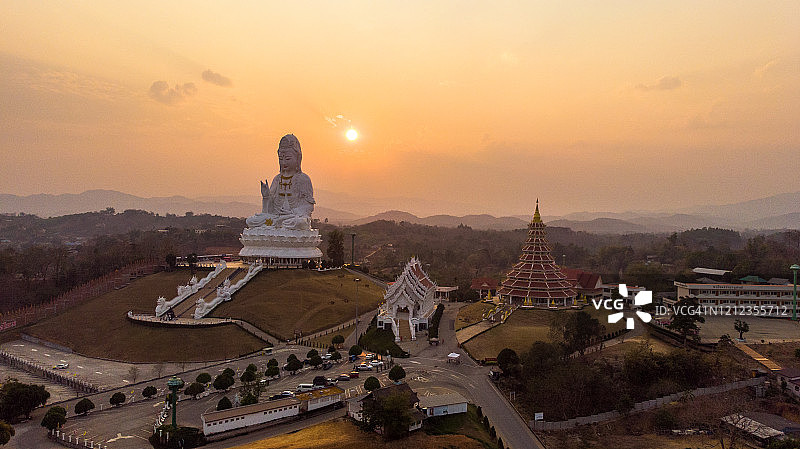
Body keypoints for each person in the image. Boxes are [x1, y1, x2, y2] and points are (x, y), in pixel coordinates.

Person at [246, 134, 315, 230]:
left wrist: (294, 212)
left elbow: (309, 206)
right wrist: (266, 196)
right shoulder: (277, 179)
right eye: (280, 159)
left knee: (300, 223)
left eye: (287, 159)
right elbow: (269, 211)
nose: (283, 162)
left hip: (292, 217)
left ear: (298, 158)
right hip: (275, 217)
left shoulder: (303, 179)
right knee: (251, 221)